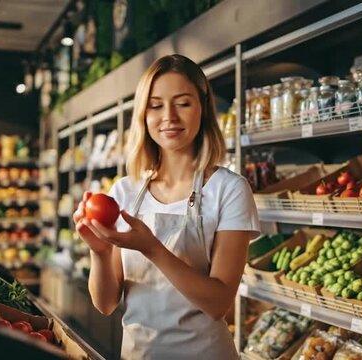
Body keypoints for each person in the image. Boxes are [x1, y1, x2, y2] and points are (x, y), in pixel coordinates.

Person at [73, 54, 260, 360]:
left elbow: (218, 303)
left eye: (183, 103)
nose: (169, 117)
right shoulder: (125, 190)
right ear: (143, 115)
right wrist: (100, 251)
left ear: (203, 107)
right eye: (156, 105)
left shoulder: (229, 189)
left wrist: (152, 248)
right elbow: (105, 304)